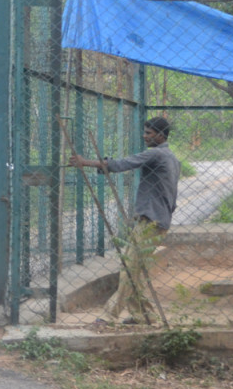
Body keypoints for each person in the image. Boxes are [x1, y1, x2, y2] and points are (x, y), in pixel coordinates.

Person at [69, 116, 180, 323]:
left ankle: (110, 315)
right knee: (132, 271)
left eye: (149, 133)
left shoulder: (156, 153)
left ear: (161, 135)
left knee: (129, 270)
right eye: (145, 132)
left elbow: (123, 164)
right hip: (157, 220)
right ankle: (145, 317)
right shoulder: (172, 158)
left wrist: (86, 162)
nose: (145, 136)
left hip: (151, 222)